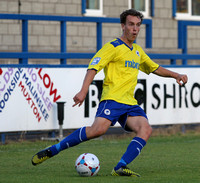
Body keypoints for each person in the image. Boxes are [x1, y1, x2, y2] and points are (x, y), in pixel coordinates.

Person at [31, 9, 188, 177]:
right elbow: (93, 67)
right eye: (131, 25)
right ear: (123, 26)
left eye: (138, 25)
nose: (134, 29)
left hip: (130, 103)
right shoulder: (112, 47)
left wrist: (175, 75)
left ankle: (120, 166)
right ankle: (53, 150)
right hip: (112, 99)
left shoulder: (137, 51)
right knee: (96, 130)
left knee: (146, 129)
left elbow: (154, 68)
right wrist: (83, 91)